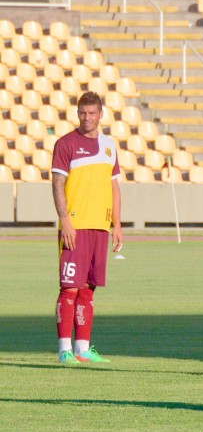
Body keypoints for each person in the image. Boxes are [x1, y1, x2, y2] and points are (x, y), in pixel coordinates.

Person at [51, 91, 123, 364]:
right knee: (69, 287)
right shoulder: (66, 143)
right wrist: (65, 221)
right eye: (83, 113)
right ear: (77, 113)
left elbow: (114, 186)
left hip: (100, 226)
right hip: (76, 225)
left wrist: (117, 224)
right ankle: (64, 351)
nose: (87, 118)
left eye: (92, 113)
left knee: (88, 288)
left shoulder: (109, 145)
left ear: (100, 114)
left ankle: (82, 348)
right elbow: (57, 185)